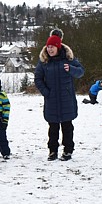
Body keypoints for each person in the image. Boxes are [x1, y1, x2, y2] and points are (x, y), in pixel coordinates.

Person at [34, 30, 85, 161]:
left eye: (52, 47)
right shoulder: (44, 62)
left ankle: (68, 151)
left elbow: (80, 72)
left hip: (67, 100)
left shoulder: (69, 59)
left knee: (67, 127)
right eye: (48, 47)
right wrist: (46, 92)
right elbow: (38, 79)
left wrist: (71, 69)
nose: (50, 50)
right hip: (51, 100)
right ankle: (52, 151)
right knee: (53, 128)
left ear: (58, 47)